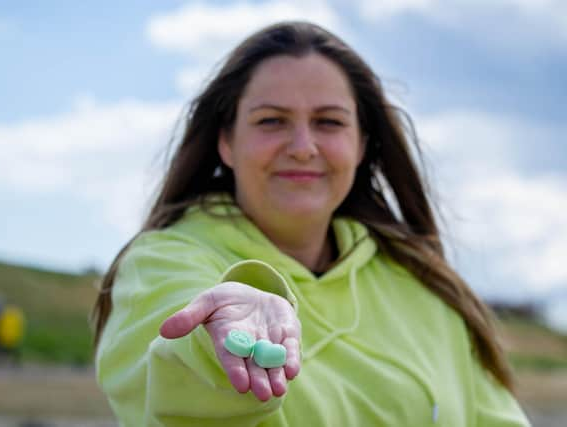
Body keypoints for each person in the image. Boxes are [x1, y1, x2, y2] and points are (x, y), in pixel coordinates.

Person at [92, 21, 531, 426]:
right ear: (226, 141)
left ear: (362, 145)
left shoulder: (425, 287)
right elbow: (176, 380)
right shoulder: (161, 263)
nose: (303, 147)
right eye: (272, 121)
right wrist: (217, 342)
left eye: (328, 122)